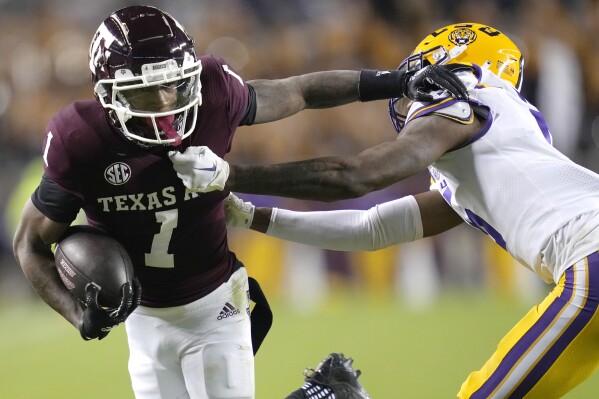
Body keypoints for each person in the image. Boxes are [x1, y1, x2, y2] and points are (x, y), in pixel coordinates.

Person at [11, 5, 467, 399]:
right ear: (108, 95)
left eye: (174, 85)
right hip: (143, 318)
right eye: (146, 91)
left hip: (216, 305)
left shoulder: (213, 93)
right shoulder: (80, 140)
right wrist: (77, 315)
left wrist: (394, 82)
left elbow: (301, 91)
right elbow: (29, 243)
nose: (167, 103)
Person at [184, 22, 599, 398]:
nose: (411, 87)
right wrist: (254, 215)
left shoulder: (467, 99)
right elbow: (373, 228)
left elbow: (356, 176)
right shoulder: (499, 144)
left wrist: (229, 175)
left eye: (424, 70)